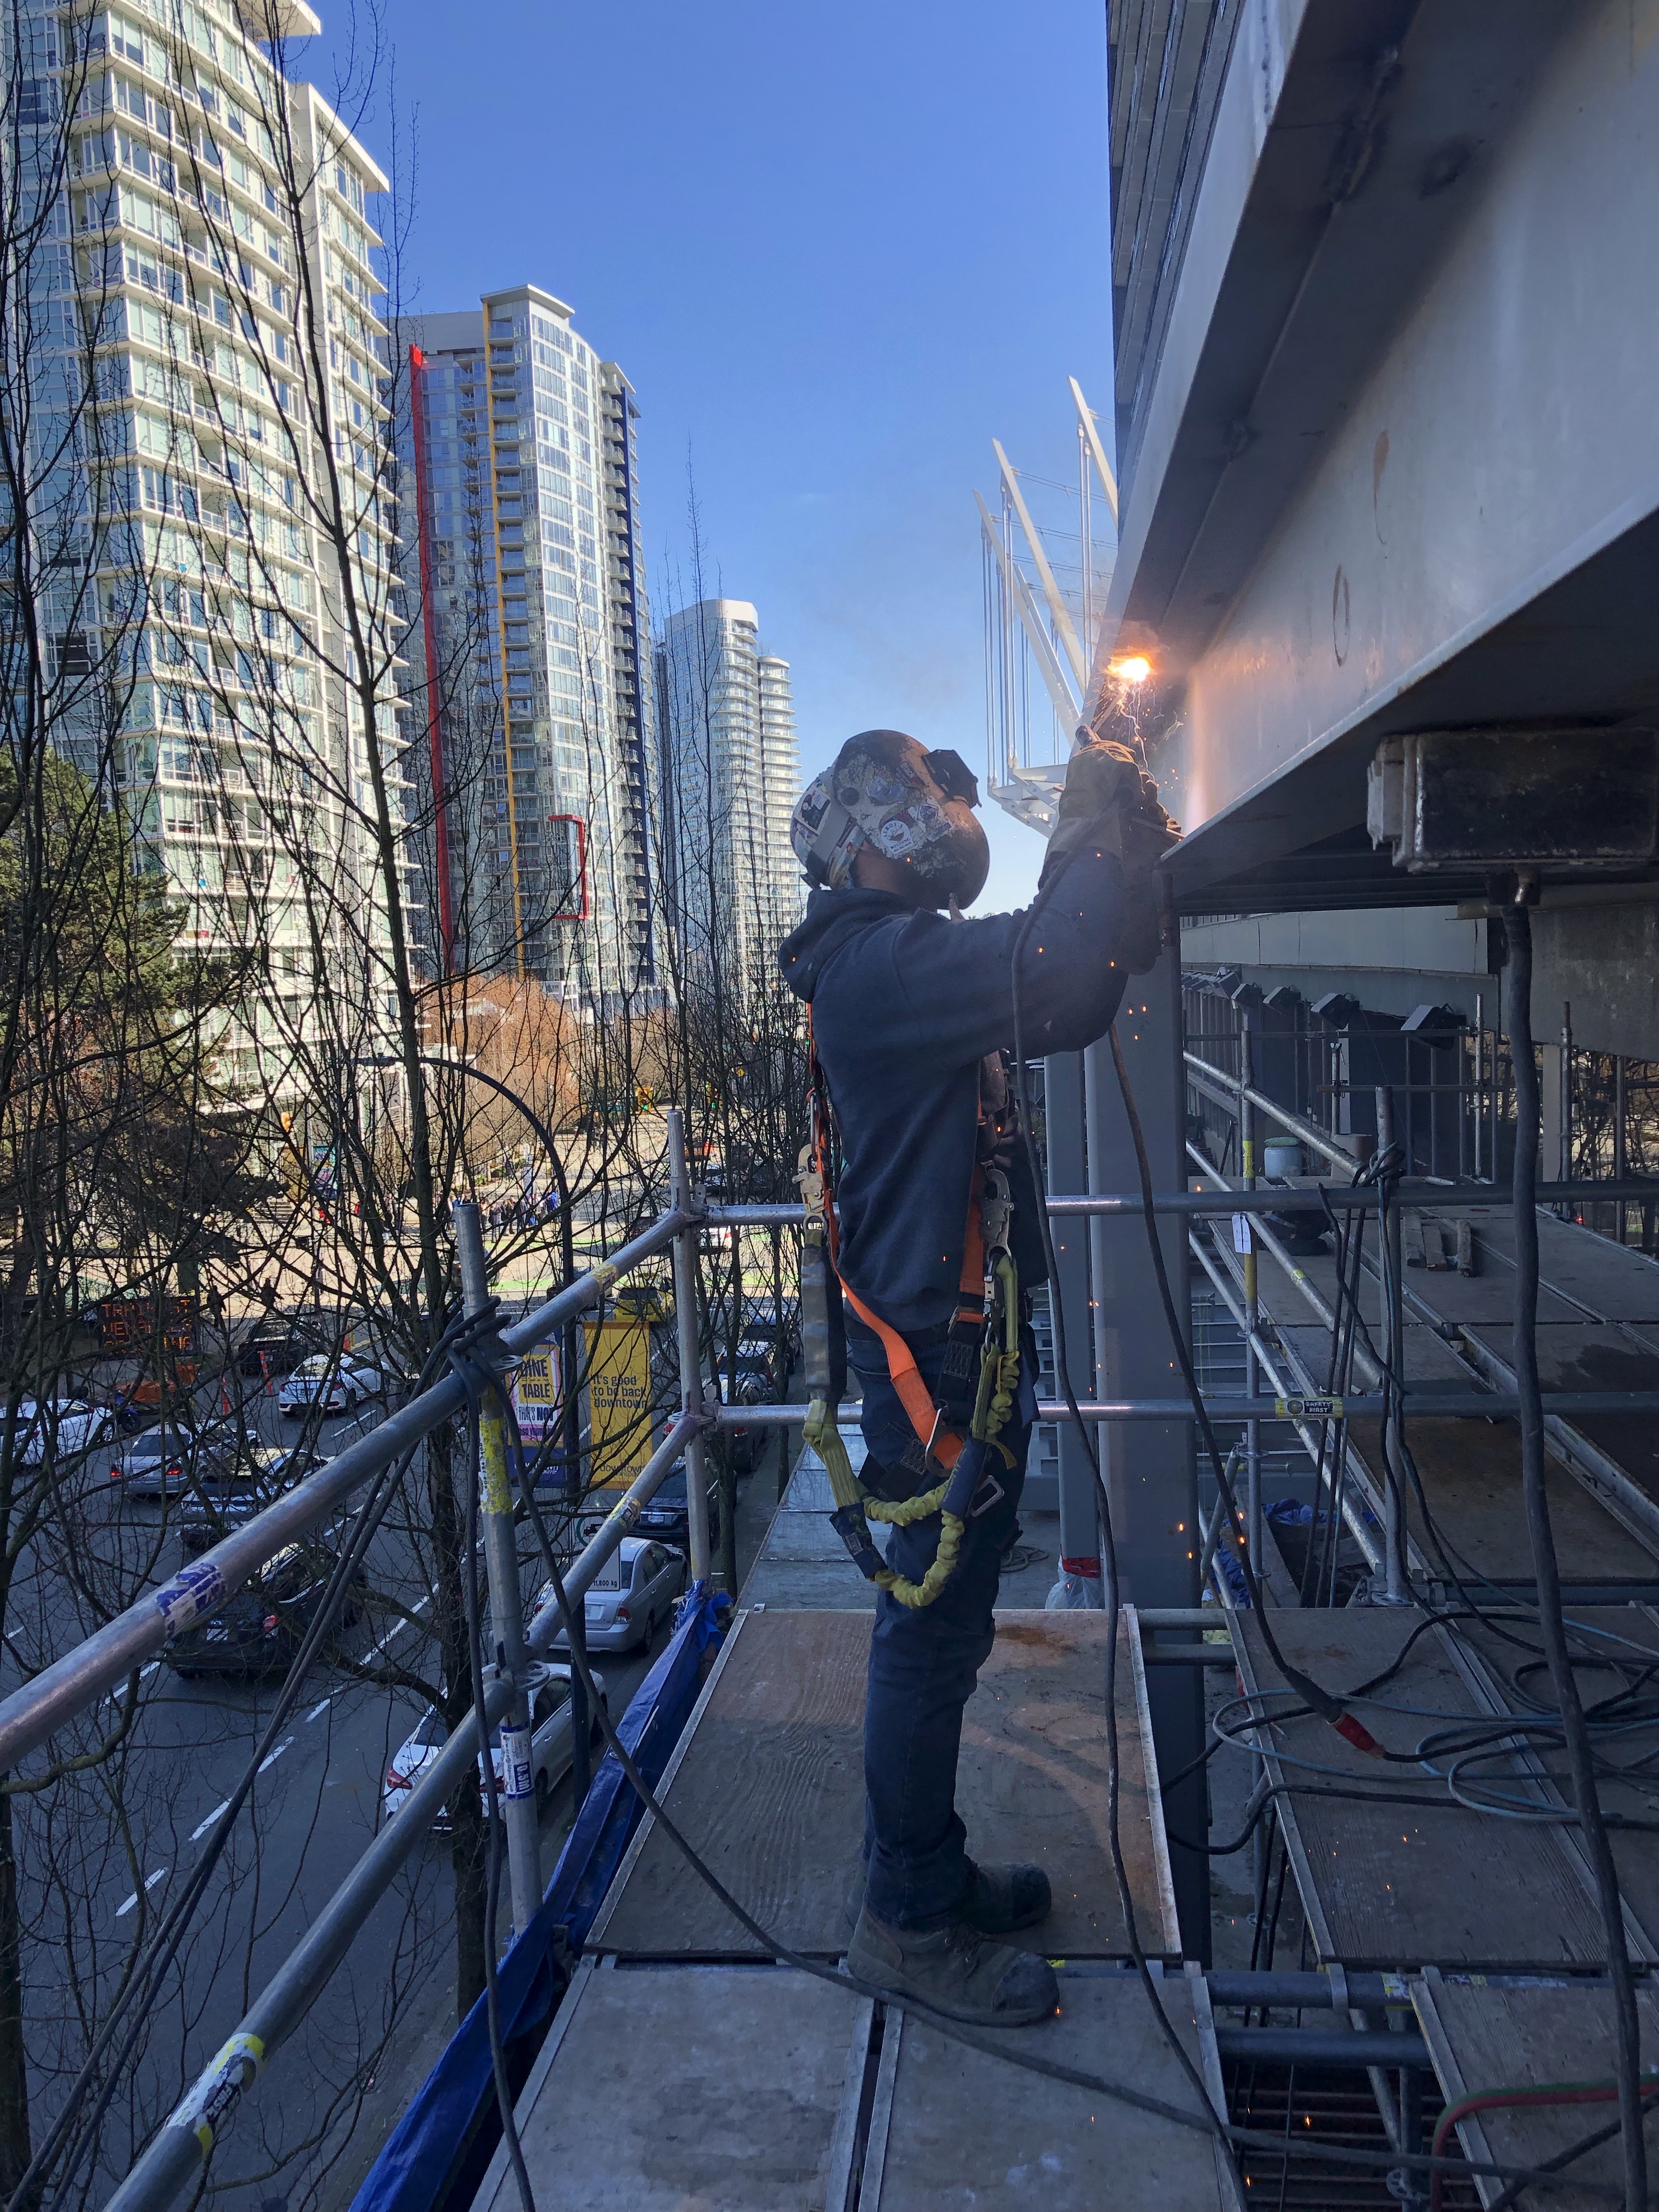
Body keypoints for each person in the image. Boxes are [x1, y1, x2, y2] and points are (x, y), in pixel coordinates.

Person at [780, 727, 1176, 2027]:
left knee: (943, 1631)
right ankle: (904, 1920)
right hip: (932, 1367)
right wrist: (1092, 820)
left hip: (963, 1342)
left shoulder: (898, 962)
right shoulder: (880, 968)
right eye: (936, 796)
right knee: (929, 1634)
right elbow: (1052, 965)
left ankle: (930, 1874)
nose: (954, 812)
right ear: (881, 825)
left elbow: (1076, 993)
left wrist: (1119, 856)